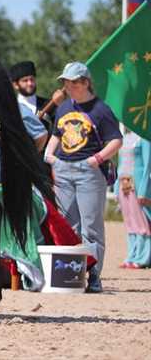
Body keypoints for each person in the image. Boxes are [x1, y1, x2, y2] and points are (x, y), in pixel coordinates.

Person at [43, 61, 122, 293]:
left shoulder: (101, 109)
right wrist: (50, 153)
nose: (68, 86)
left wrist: (97, 159)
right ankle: (71, 275)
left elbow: (116, 140)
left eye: (73, 82)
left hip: (89, 171)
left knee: (91, 226)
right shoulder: (65, 108)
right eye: (66, 82)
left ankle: (94, 276)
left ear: (85, 82)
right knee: (68, 223)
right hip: (64, 169)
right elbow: (58, 132)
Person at [116, 131, 151, 268]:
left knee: (141, 221)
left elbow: (148, 165)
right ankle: (132, 254)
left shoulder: (144, 138)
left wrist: (143, 191)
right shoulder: (124, 138)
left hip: (137, 184)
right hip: (124, 184)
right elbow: (120, 164)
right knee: (129, 221)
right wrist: (116, 186)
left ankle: (143, 257)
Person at [9, 60, 64, 132]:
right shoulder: (10, 107)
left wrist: (60, 106)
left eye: (32, 79)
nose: (30, 83)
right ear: (15, 85)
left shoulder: (48, 104)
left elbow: (61, 126)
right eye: (25, 81)